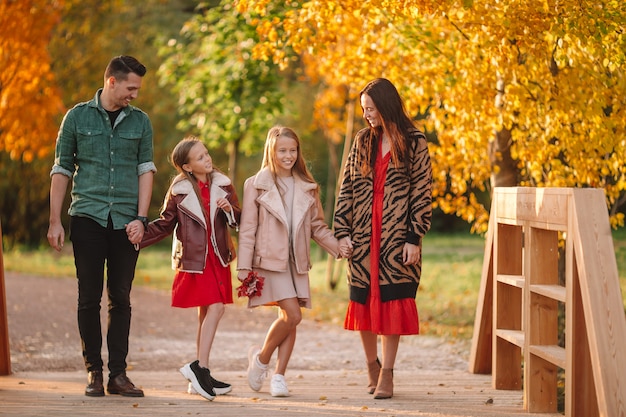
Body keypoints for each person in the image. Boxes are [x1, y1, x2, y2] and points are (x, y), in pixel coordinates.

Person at [47, 55, 155, 397]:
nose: (134, 95)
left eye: (137, 89)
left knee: (121, 298)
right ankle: (94, 371)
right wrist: (55, 221)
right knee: (88, 297)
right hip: (88, 217)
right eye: (131, 87)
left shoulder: (141, 122)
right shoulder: (76, 117)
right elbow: (61, 169)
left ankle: (118, 375)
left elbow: (145, 170)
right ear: (112, 81)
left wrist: (141, 218)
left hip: (126, 222)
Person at [333, 78, 432, 399]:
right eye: (364, 110)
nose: (367, 116)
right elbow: (345, 188)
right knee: (362, 300)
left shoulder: (415, 142)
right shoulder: (362, 140)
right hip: (362, 236)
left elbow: (422, 192)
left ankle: (387, 374)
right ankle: (371, 367)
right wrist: (342, 232)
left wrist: (414, 237)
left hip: (396, 238)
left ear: (386, 106)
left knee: (393, 302)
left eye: (371, 109)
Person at [237, 126, 351, 397]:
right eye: (282, 150)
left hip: (296, 262)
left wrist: (337, 246)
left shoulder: (307, 187)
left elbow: (317, 227)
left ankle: (278, 376)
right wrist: (243, 265)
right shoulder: (255, 184)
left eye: (292, 150)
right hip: (269, 261)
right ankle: (263, 359)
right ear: (271, 151)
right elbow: (248, 228)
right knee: (293, 315)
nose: (288, 155)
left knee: (290, 319)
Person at [128, 136, 241, 401]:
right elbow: (166, 224)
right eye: (200, 157)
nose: (208, 159)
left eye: (207, 153)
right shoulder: (180, 191)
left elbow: (239, 219)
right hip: (195, 261)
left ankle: (201, 373)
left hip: (219, 257)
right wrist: (139, 235)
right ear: (188, 167)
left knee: (207, 313)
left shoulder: (224, 186)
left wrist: (229, 211)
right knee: (217, 308)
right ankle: (198, 369)